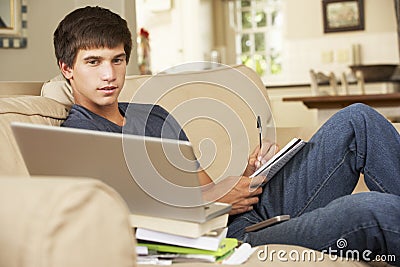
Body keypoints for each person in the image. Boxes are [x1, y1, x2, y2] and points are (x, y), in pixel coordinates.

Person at [54, 6, 400, 265]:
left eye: (117, 60)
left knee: (358, 119)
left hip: (243, 211)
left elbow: (204, 183)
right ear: (67, 68)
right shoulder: (78, 134)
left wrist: (248, 178)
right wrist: (213, 199)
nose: (109, 74)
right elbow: (123, 216)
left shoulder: (152, 114)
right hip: (221, 236)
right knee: (370, 211)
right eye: (94, 62)